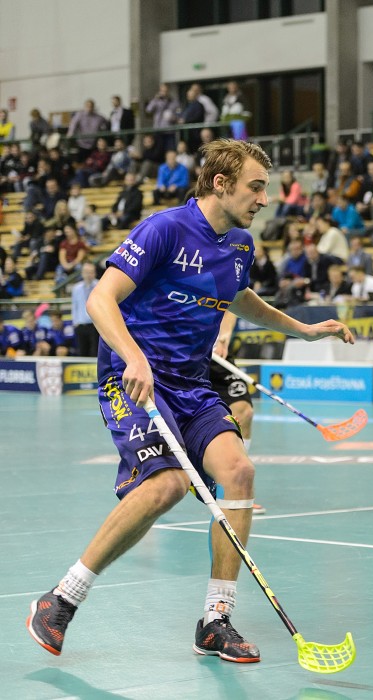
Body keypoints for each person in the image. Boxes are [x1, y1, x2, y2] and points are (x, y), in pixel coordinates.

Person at [26, 139, 355, 662]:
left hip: (191, 381)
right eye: (255, 187)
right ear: (220, 184)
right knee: (167, 486)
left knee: (239, 472)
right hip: (132, 378)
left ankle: (215, 620)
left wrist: (305, 330)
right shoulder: (163, 229)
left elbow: (239, 299)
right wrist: (134, 357)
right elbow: (101, 298)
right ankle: (62, 598)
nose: (264, 199)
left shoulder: (240, 245)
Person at [209, 311, 264, 515]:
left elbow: (231, 305)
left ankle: (237, 486)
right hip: (179, 352)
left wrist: (224, 336)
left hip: (215, 352)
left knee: (243, 411)